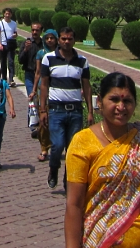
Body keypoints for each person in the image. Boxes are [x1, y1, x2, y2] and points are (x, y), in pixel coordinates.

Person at [65, 72, 140, 248]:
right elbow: (74, 204)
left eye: (127, 101)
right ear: (99, 101)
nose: (121, 107)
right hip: (103, 240)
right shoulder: (82, 142)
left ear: (135, 105)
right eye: (114, 99)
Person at [39, 27, 93, 190]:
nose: (66, 42)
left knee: (73, 148)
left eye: (69, 39)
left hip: (75, 110)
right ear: (58, 40)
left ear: (74, 41)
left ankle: (67, 177)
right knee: (57, 145)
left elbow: (87, 86)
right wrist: (43, 110)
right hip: (56, 110)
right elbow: (44, 85)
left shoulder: (82, 61)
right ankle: (54, 169)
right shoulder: (49, 59)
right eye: (63, 39)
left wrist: (90, 111)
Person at [29, 29, 58, 162]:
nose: (50, 40)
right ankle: (44, 148)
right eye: (47, 38)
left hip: (57, 89)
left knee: (56, 120)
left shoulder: (61, 54)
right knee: (43, 121)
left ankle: (56, 147)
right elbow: (38, 72)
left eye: (52, 38)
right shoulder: (41, 53)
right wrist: (34, 90)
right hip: (43, 89)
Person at [19, 22, 44, 117]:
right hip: (29, 75)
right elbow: (20, 60)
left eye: (37, 30)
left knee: (42, 98)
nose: (34, 32)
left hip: (41, 75)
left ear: (41, 31)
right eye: (33, 30)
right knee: (32, 98)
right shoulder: (27, 43)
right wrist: (25, 50)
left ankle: (41, 121)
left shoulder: (44, 45)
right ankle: (33, 124)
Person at [0, 8, 19, 87]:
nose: (7, 15)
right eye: (6, 14)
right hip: (3, 45)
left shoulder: (14, 23)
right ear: (4, 14)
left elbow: (15, 33)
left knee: (11, 62)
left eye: (9, 14)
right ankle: (4, 79)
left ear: (11, 15)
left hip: (10, 45)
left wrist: (15, 35)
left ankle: (11, 79)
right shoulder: (0, 23)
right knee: (3, 62)